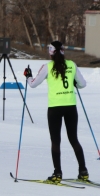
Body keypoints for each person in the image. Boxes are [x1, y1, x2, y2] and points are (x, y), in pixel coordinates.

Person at [24, 41, 88, 183]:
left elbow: (33, 84)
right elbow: (83, 84)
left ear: (51, 52)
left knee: (55, 141)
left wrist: (28, 76)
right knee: (74, 139)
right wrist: (74, 82)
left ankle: (57, 173)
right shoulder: (72, 64)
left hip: (55, 108)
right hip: (71, 106)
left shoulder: (47, 67)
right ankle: (83, 171)